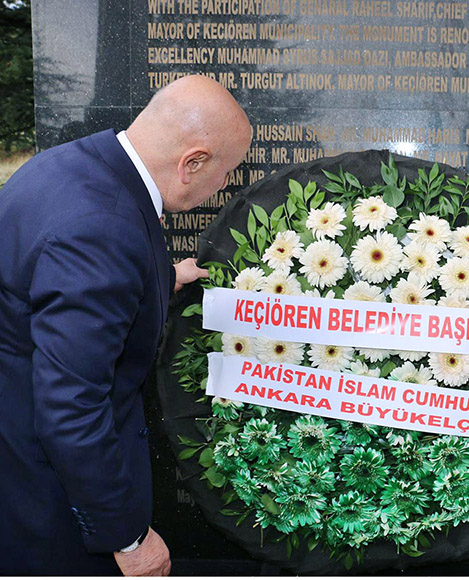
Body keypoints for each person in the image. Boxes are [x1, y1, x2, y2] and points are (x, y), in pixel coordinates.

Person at [0, 75, 252, 575]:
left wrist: (159, 277)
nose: (224, 186)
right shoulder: (102, 230)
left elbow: (54, 285)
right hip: (55, 504)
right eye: (226, 172)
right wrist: (128, 537)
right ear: (193, 162)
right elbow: (71, 407)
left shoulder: (71, 163)